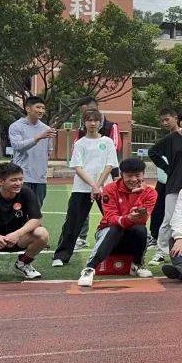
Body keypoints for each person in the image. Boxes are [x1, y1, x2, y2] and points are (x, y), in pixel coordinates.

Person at [51, 109, 118, 268]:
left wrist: (99, 185)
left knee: (114, 220)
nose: (93, 123)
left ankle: (119, 252)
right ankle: (61, 255)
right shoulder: (79, 143)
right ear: (84, 123)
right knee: (72, 223)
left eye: (96, 120)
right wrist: (93, 186)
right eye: (89, 120)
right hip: (81, 188)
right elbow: (78, 167)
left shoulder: (107, 141)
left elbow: (110, 165)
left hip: (105, 188)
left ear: (101, 123)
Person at [77, 157, 157, 286]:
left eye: (137, 175)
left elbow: (143, 219)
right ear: (121, 175)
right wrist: (127, 218)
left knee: (141, 229)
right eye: (129, 176)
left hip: (131, 237)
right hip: (109, 235)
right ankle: (89, 269)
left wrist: (138, 202)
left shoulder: (150, 192)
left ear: (143, 175)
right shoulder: (109, 189)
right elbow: (110, 218)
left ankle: (137, 264)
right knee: (115, 227)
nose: (134, 180)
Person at [149, 107, 182, 267]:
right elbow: (153, 152)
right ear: (179, 121)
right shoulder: (172, 138)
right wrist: (167, 167)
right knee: (169, 219)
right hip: (175, 184)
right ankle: (161, 251)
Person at [74, 98, 122, 248]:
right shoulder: (82, 129)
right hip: (86, 177)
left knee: (111, 210)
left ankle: (118, 237)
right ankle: (81, 238)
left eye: (87, 111)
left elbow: (115, 148)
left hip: (108, 175)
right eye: (85, 115)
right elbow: (78, 151)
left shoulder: (111, 126)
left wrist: (115, 175)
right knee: (81, 211)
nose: (90, 121)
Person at [8, 96, 55, 206]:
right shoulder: (16, 126)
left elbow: (49, 152)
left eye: (43, 108)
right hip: (21, 177)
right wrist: (38, 137)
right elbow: (17, 146)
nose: (41, 111)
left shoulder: (46, 129)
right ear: (28, 109)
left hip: (40, 179)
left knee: (36, 211)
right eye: (38, 107)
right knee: (18, 210)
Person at [149, 108, 179, 248]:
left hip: (180, 181)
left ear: (175, 118)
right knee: (157, 209)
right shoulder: (166, 140)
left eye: (167, 119)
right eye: (162, 121)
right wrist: (166, 168)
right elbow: (153, 153)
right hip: (164, 180)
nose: (165, 123)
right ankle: (155, 237)